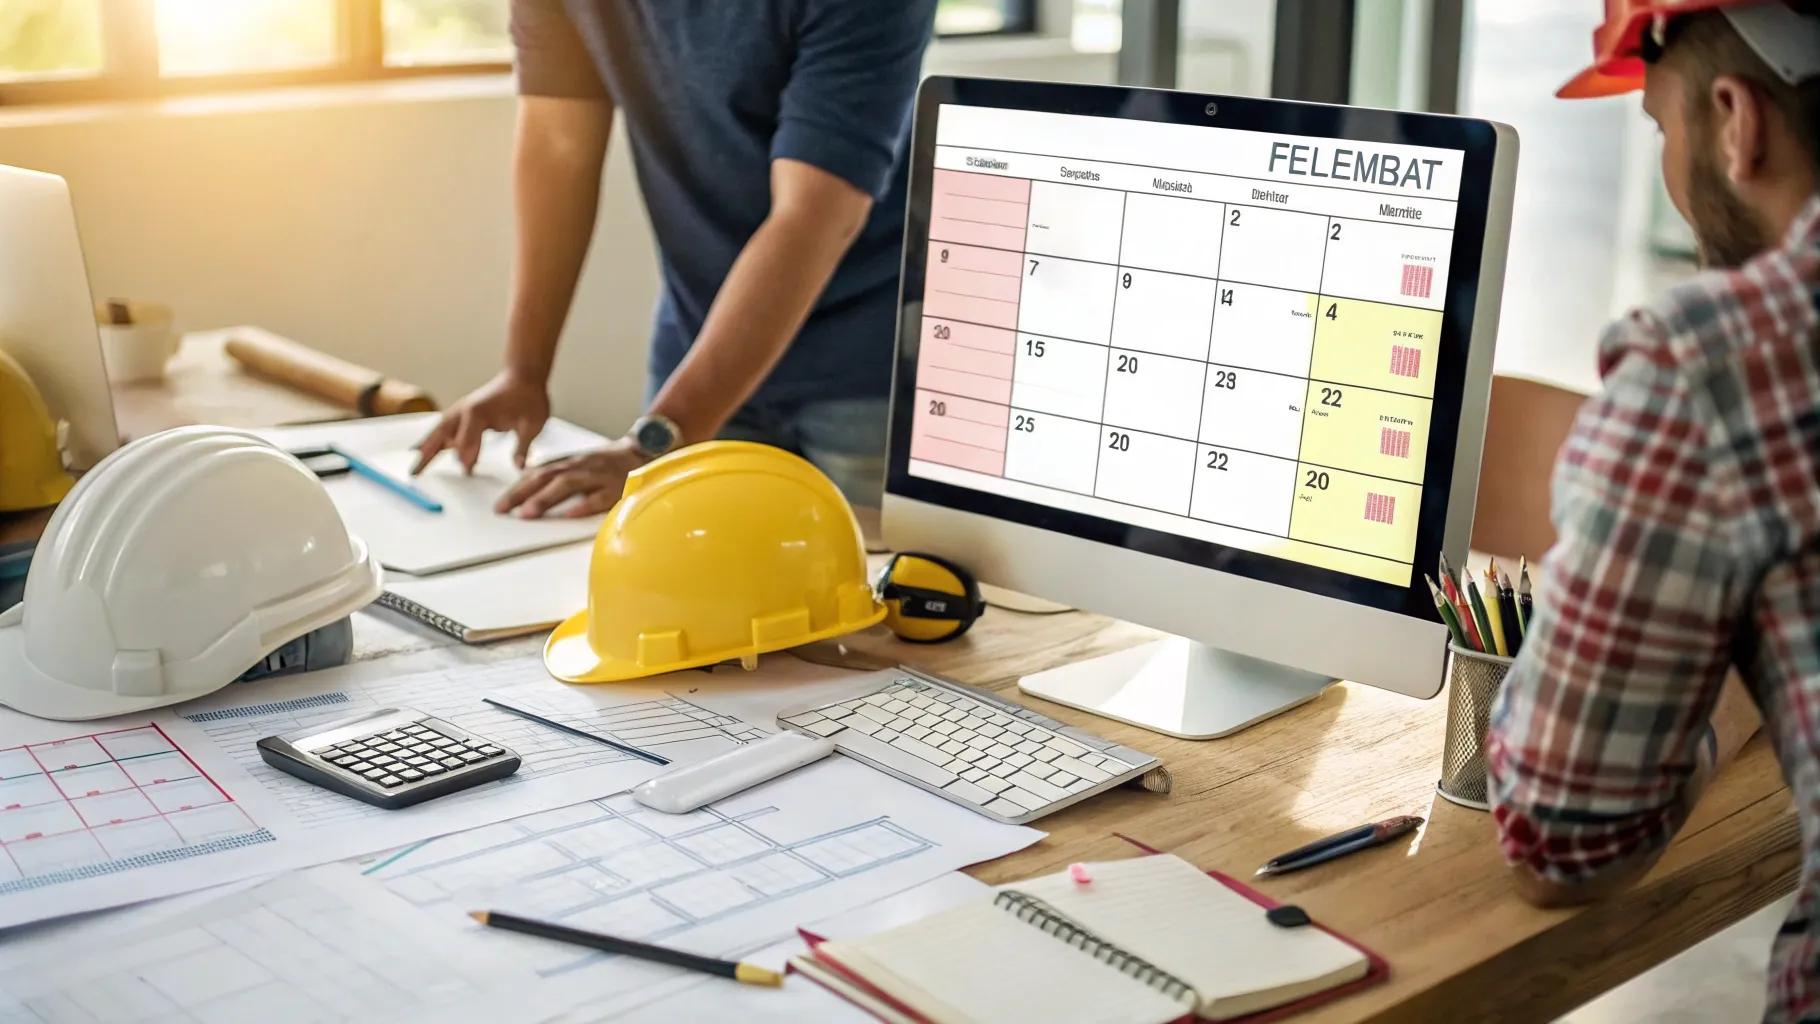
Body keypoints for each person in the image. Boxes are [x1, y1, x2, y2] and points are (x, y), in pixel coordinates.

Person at [1485, 2, 1820, 1019]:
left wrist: (1711, 705)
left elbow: (1560, 840)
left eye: (1659, 129)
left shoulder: (1715, 360)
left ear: (1734, 120)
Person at [412, 1, 937, 517]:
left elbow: (812, 217)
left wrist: (655, 442)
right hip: (696, 341)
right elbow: (558, 146)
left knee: (882, 591)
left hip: (873, 366)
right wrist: (523, 372)